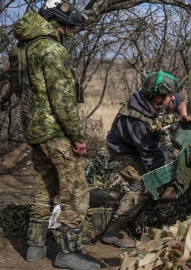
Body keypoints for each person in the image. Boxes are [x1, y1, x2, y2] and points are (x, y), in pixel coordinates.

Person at [12, 1, 100, 269]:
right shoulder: (51, 48)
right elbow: (62, 100)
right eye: (69, 26)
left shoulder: (23, 48)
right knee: (76, 192)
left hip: (34, 131)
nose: (71, 32)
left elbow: (19, 90)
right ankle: (69, 253)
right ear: (56, 22)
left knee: (43, 188)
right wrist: (78, 137)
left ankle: (35, 248)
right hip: (55, 133)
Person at [103, 70, 191, 248]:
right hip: (123, 153)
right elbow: (155, 164)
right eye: (170, 97)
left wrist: (183, 114)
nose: (173, 100)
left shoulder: (156, 99)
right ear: (158, 99)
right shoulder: (138, 122)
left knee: (163, 178)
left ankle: (144, 211)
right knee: (144, 185)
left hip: (143, 147)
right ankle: (113, 231)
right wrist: (171, 179)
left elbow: (180, 102)